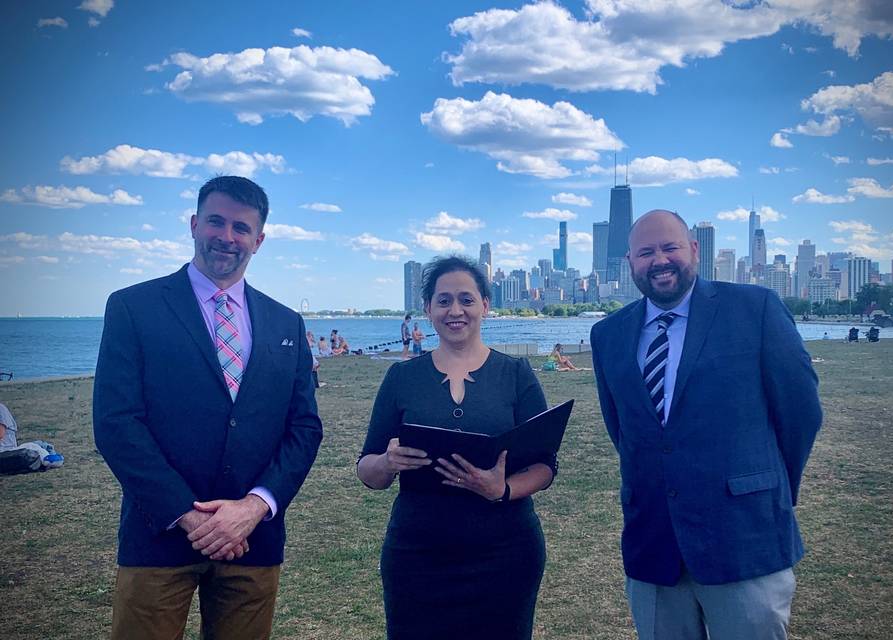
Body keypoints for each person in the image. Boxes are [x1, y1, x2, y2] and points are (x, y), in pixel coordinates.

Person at [92, 176, 323, 640]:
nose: (226, 236)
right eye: (216, 221)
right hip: (159, 535)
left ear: (259, 241)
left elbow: (304, 428)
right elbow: (117, 424)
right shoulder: (133, 308)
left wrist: (256, 506)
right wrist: (188, 515)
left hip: (252, 541)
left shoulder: (286, 323)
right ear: (194, 224)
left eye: (241, 228)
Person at [590, 210, 822, 639]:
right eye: (646, 252)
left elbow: (801, 411)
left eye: (669, 247)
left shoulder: (756, 309)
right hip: (654, 543)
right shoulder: (608, 334)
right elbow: (623, 431)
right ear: (630, 263)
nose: (659, 260)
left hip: (744, 536)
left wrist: (771, 486)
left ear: (694, 250)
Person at [357, 255, 556, 639]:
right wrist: (387, 461)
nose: (455, 310)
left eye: (466, 299)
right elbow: (367, 470)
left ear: (485, 304)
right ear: (428, 308)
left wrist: (503, 489)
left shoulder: (516, 374)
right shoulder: (401, 378)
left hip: (506, 553)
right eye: (443, 300)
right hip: (417, 556)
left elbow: (546, 466)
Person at [0, 402, 64, 474]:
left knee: (30, 448)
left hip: (6, 451)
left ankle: (48, 458)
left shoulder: (1, 409)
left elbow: (1, 433)